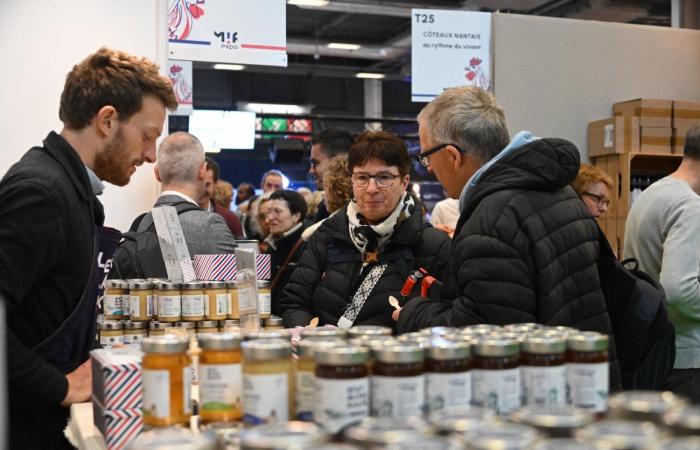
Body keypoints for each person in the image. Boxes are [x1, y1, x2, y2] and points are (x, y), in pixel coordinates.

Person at [0, 47, 177, 449]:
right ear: (107, 120)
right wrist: (60, 386)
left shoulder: (73, 190)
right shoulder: (42, 191)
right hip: (27, 425)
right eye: (147, 136)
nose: (151, 155)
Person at [393, 86, 619, 386]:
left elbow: (487, 337)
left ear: (452, 155)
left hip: (536, 395)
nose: (430, 168)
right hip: (583, 378)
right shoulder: (557, 191)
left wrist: (413, 314)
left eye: (427, 157)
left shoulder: (493, 216)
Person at [278, 131, 450, 330]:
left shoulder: (433, 245)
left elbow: (450, 318)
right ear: (352, 180)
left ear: (404, 182)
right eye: (362, 177)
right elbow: (293, 302)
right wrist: (306, 332)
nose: (371, 188)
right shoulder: (328, 235)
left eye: (384, 177)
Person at [624, 125, 700, 402]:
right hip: (687, 359)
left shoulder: (652, 194)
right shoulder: (691, 206)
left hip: (655, 349)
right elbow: (679, 292)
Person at [131, 132, 237, 256]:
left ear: (157, 173)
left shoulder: (141, 223)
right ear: (202, 171)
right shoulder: (210, 225)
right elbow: (241, 274)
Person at [261, 190, 308, 313]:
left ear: (296, 216)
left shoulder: (308, 245)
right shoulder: (273, 242)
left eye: (277, 211)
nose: (270, 218)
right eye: (269, 212)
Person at [309, 128, 354, 221]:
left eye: (315, 163)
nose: (311, 171)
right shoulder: (323, 208)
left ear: (339, 162)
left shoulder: (363, 213)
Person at [198, 156, 243, 237]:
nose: (201, 190)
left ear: (215, 184)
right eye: (197, 184)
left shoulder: (230, 219)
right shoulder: (177, 215)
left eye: (206, 184)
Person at [245, 170, 285, 240]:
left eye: (277, 186)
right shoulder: (251, 205)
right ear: (262, 186)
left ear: (282, 189)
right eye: (269, 185)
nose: (272, 189)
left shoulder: (286, 206)